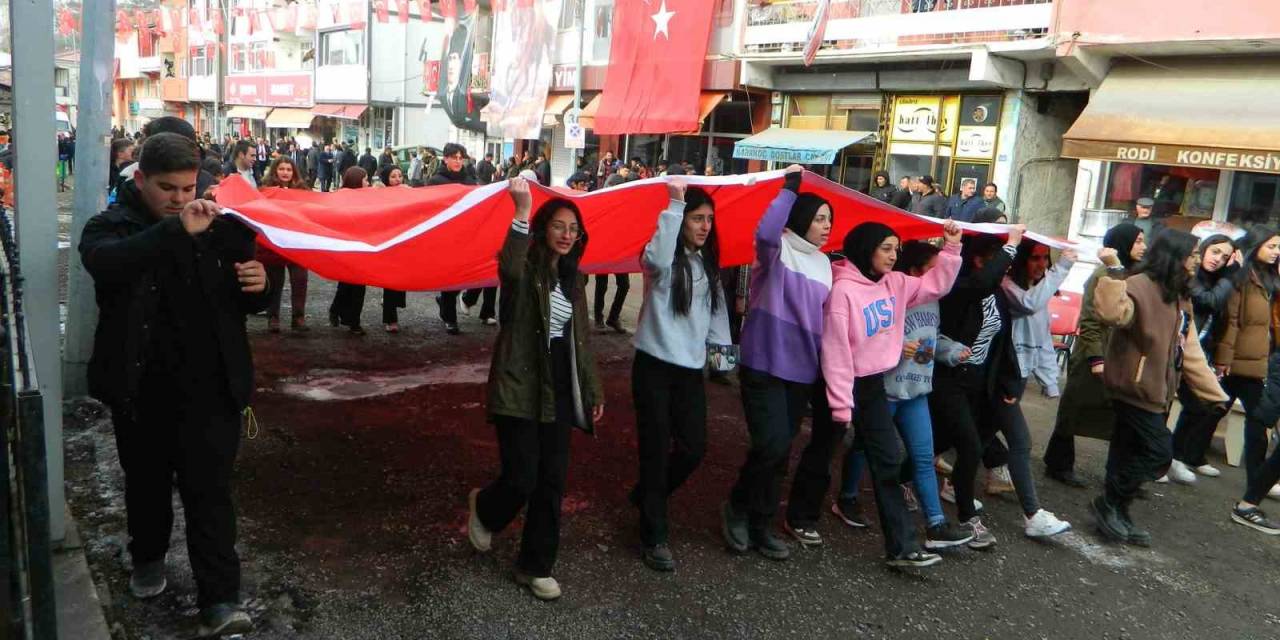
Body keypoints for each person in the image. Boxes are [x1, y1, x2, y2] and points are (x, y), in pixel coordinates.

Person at [78, 132, 267, 636]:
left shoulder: (222, 228)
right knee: (147, 486)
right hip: (140, 389)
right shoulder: (109, 226)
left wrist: (259, 286)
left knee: (211, 495)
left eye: (188, 188)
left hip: (212, 390)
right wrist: (175, 231)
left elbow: (243, 301)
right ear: (140, 179)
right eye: (167, 189)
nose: (181, 199)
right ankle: (148, 555)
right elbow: (108, 264)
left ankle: (221, 602)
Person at [465, 177, 604, 601]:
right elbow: (508, 266)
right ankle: (485, 508)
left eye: (573, 228)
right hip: (520, 383)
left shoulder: (574, 280)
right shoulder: (526, 270)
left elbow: (581, 340)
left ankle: (535, 566)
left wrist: (592, 390)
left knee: (552, 481)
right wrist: (521, 212)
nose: (566, 234)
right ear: (544, 229)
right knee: (522, 477)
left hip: (559, 388)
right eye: (559, 225)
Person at [829, 238, 974, 553]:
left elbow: (929, 342)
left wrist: (950, 351)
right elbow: (870, 339)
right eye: (933, 270)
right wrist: (897, 348)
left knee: (923, 457)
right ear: (916, 271)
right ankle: (848, 498)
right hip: (885, 389)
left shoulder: (932, 302)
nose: (940, 277)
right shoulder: (894, 293)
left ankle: (935, 523)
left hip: (916, 391)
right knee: (865, 447)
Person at [931, 225, 1072, 547]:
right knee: (973, 446)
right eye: (998, 260)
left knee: (947, 442)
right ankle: (970, 518)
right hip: (951, 382)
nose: (1006, 266)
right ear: (979, 261)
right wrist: (1012, 245)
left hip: (983, 385)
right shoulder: (963, 288)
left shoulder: (997, 293)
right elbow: (982, 285)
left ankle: (907, 480)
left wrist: (1011, 383)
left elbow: (1003, 344)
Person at [722, 165, 835, 561]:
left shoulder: (825, 265)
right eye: (819, 218)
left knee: (780, 452)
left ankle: (762, 524)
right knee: (769, 444)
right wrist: (789, 190)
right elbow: (767, 231)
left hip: (801, 371)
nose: (826, 226)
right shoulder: (777, 250)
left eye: (829, 219)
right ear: (800, 219)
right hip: (764, 364)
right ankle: (737, 507)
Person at [1089, 230, 1228, 546]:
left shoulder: (1179, 293)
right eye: (1193, 254)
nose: (1197, 260)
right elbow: (1112, 314)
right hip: (1132, 387)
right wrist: (1114, 271)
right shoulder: (1139, 284)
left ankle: (1117, 511)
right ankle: (1109, 503)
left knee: (1126, 451)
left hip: (1157, 388)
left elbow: (1188, 349)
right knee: (1159, 452)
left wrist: (1213, 394)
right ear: (1175, 256)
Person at [629, 181, 731, 571]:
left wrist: (722, 361)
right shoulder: (660, 262)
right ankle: (653, 535)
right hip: (653, 366)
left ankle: (647, 496)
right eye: (697, 218)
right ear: (682, 221)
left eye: (709, 219)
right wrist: (674, 203)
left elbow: (717, 316)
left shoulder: (708, 265)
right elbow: (657, 256)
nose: (705, 226)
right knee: (655, 452)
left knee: (693, 449)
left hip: (690, 371)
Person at [1043, 224, 1147, 487]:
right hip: (1095, 352)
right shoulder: (1103, 274)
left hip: (1119, 354)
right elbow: (1089, 321)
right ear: (1122, 242)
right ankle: (1058, 463)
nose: (1143, 247)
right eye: (1138, 241)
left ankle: (1119, 475)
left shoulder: (1134, 273)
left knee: (1121, 417)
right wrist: (1096, 359)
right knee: (1073, 410)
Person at [1168, 235, 1238, 484]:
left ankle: (1175, 457)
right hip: (1174, 349)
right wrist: (1231, 276)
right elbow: (1209, 302)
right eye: (1214, 251)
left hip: (1196, 354)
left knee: (1198, 406)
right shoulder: (1191, 276)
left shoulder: (1219, 282)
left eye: (1225, 257)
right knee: (1163, 405)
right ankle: (1160, 460)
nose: (1218, 259)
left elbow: (1220, 321)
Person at [1004, 240, 1077, 397]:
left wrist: (1050, 382)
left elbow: (1042, 339)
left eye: (1045, 258)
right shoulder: (1006, 285)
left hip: (1019, 372)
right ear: (1021, 260)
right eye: (1035, 258)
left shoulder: (1036, 291)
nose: (1042, 264)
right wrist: (1061, 267)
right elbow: (1029, 303)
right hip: (1005, 370)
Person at [429, 143, 485, 334]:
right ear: (445, 159)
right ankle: (450, 318)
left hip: (467, 235)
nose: (458, 161)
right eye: (454, 157)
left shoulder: (469, 180)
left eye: (461, 158)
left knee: (471, 274)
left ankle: (450, 301)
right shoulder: (436, 181)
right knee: (449, 276)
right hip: (446, 236)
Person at [258, 157, 312, 333]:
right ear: (275, 170)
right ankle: (273, 317)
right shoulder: (265, 191)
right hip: (275, 243)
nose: (285, 173)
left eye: (289, 169)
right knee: (274, 282)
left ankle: (298, 317)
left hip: (297, 243)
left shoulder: (303, 191)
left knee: (300, 280)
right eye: (281, 169)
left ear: (293, 172)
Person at [327, 167, 372, 335]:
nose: (368, 183)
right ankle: (352, 321)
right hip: (347, 247)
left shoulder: (368, 198)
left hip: (361, 247)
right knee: (351, 284)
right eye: (365, 179)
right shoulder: (342, 198)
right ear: (356, 181)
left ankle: (341, 313)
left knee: (351, 284)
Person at [377, 165, 410, 333]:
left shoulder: (408, 193)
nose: (398, 179)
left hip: (404, 243)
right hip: (388, 243)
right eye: (393, 176)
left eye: (400, 175)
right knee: (390, 282)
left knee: (400, 280)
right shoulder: (381, 196)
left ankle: (391, 304)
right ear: (386, 180)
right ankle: (390, 319)